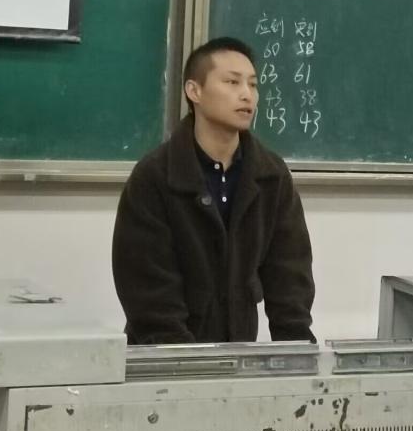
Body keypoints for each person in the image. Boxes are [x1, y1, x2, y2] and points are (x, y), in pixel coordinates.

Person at [112, 37, 315, 344]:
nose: (247, 94)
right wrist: (187, 362)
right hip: (164, 356)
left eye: (253, 84)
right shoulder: (155, 176)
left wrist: (296, 352)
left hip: (238, 352)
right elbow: (148, 291)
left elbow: (289, 275)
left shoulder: (270, 176)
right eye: (232, 82)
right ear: (194, 91)